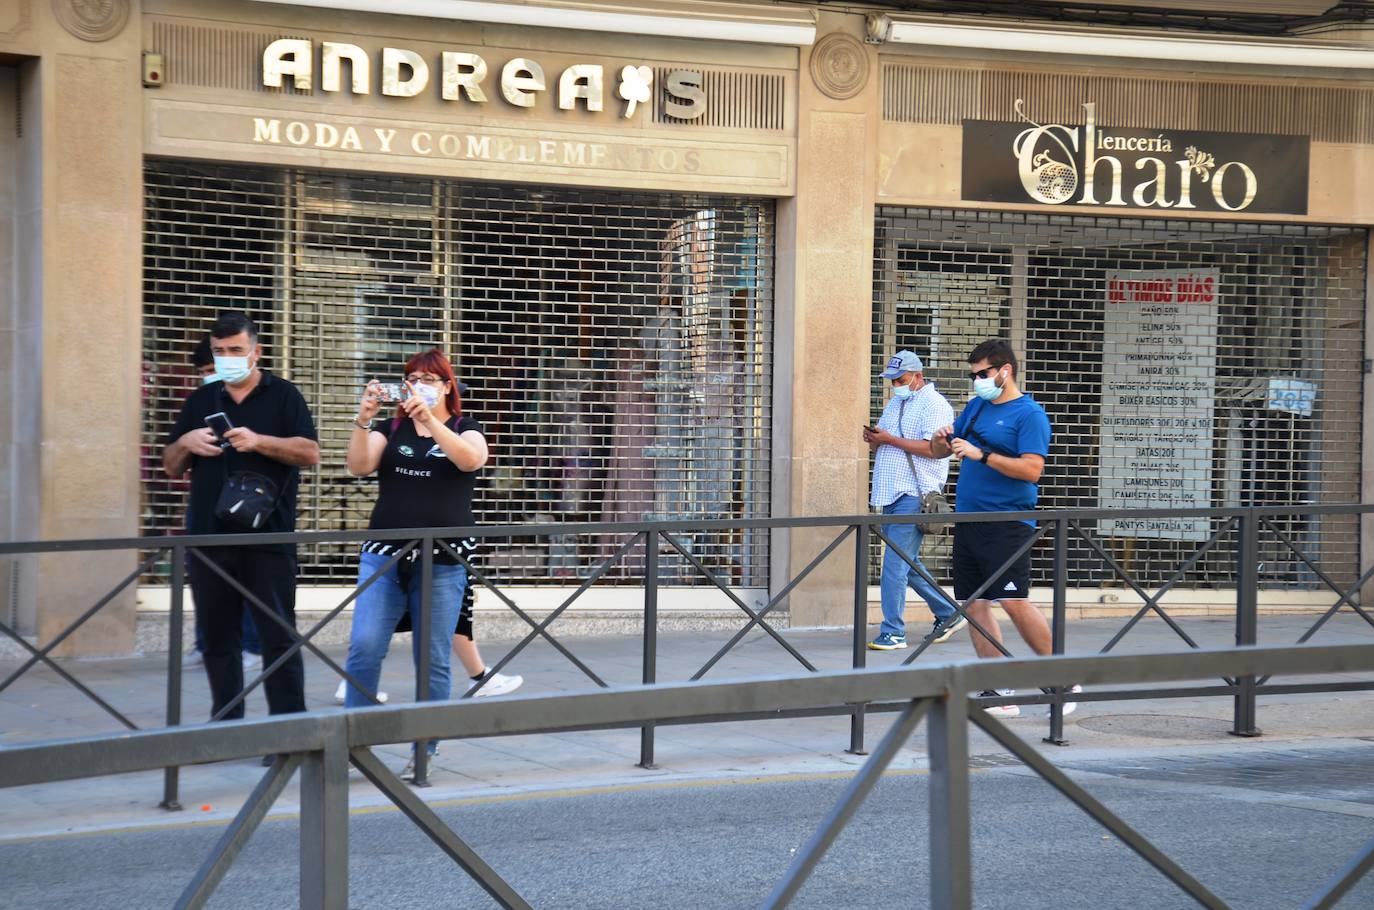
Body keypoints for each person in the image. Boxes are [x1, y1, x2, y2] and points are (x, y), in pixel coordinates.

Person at [341, 348, 508, 777]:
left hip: (443, 559)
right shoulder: (390, 427)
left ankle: (423, 747)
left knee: (431, 656)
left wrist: (431, 421)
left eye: (430, 379)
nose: (420, 385)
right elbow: (359, 466)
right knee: (364, 646)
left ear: (448, 386)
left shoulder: (463, 427)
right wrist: (363, 418)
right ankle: (354, 741)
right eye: (413, 378)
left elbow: (471, 459)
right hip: (384, 555)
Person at [163, 312, 319, 723]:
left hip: (268, 538)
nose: (227, 358)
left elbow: (310, 453)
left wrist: (259, 441)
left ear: (256, 352)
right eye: (219, 352)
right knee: (218, 640)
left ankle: (287, 730)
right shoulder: (201, 399)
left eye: (236, 350)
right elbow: (170, 466)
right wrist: (186, 441)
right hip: (209, 539)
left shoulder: (284, 395)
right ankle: (227, 725)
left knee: (277, 638)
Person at [931, 339, 1077, 717]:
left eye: (982, 374)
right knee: (974, 603)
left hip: (1007, 520)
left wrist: (984, 455)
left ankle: (1062, 678)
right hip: (969, 519)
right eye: (973, 375)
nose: (977, 381)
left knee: (1013, 600)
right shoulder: (978, 407)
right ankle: (997, 690)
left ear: (1004, 371)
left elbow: (1032, 470)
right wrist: (939, 440)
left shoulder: (1029, 415)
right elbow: (942, 450)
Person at [863, 349, 964, 651]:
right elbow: (890, 441)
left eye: (901, 379)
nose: (896, 384)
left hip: (915, 494)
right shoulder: (897, 402)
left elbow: (934, 449)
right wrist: (875, 439)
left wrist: (889, 440)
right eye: (892, 380)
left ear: (918, 377)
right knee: (908, 562)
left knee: (894, 565)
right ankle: (948, 613)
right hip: (891, 492)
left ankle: (893, 631)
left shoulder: (935, 405)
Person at [186, 337, 264, 673]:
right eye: (203, 370)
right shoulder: (201, 400)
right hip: (205, 502)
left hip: (246, 500)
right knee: (204, 579)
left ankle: (251, 645)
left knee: (246, 577)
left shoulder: (262, 397)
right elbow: (176, 454)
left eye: (211, 369)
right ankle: (206, 643)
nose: (209, 375)